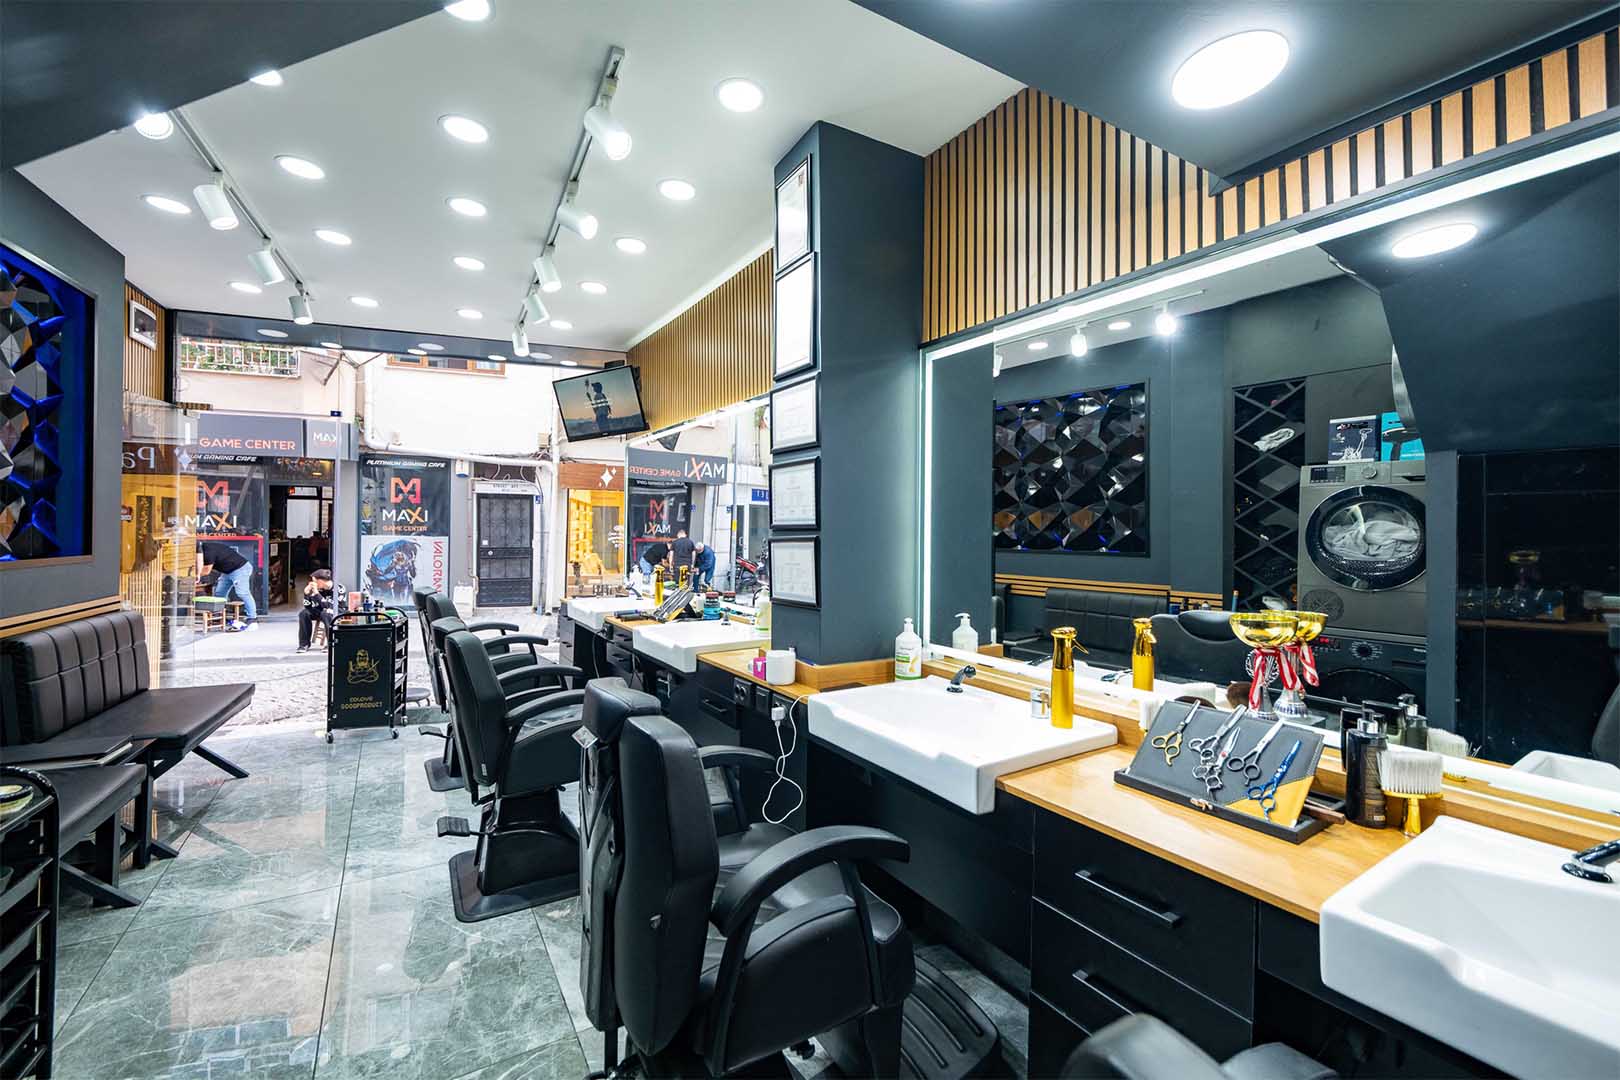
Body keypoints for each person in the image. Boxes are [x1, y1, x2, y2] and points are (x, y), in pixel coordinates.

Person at [199, 539, 256, 630]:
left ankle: (252, 618)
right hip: (227, 571)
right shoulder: (204, 549)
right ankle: (219, 616)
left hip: (240, 568)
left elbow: (206, 571)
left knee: (242, 593)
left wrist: (194, 576)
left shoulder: (208, 552)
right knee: (219, 593)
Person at [298, 569, 340, 653]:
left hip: (336, 611)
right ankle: (304, 644)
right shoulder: (318, 589)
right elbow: (308, 606)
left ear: (320, 581)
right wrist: (306, 594)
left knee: (326, 613)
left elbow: (328, 606)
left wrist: (317, 594)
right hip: (320, 611)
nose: (312, 583)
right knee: (304, 613)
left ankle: (330, 643)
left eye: (314, 581)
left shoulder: (338, 588)